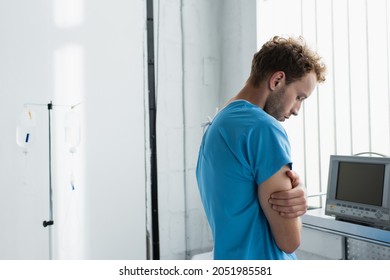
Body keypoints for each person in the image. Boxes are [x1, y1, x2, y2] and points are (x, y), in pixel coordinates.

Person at [196, 36, 326, 260]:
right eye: (299, 97)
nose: (296, 110)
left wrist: (298, 186)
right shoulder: (262, 128)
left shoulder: (217, 124)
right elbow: (289, 241)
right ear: (277, 80)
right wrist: (298, 201)